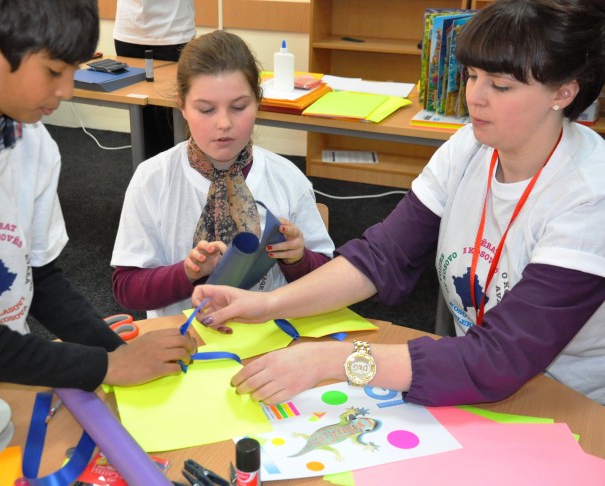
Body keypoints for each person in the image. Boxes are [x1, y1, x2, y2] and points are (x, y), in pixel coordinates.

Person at [192, 0, 605, 406]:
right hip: (481, 379)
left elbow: (501, 357)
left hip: (570, 401)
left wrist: (335, 361)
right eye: (472, 75)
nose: (474, 97)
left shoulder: (590, 196)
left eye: (500, 86)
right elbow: (382, 256)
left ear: (564, 93)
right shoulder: (470, 146)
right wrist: (267, 304)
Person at [0, 0, 195, 426]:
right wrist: (108, 367)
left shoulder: (31, 140)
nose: (66, 90)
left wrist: (118, 353)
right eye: (53, 71)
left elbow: (40, 277)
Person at [111, 30, 334, 320]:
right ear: (183, 107)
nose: (224, 123)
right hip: (186, 343)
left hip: (271, 339)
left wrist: (298, 259)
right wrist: (187, 272)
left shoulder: (287, 179)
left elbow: (328, 280)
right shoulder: (152, 179)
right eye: (206, 109)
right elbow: (127, 288)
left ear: (258, 102)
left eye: (239, 107)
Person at [113, 0, 196, 159]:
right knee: (141, 117)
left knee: (173, 116)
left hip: (173, 32)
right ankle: (147, 172)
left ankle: (181, 171)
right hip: (129, 31)